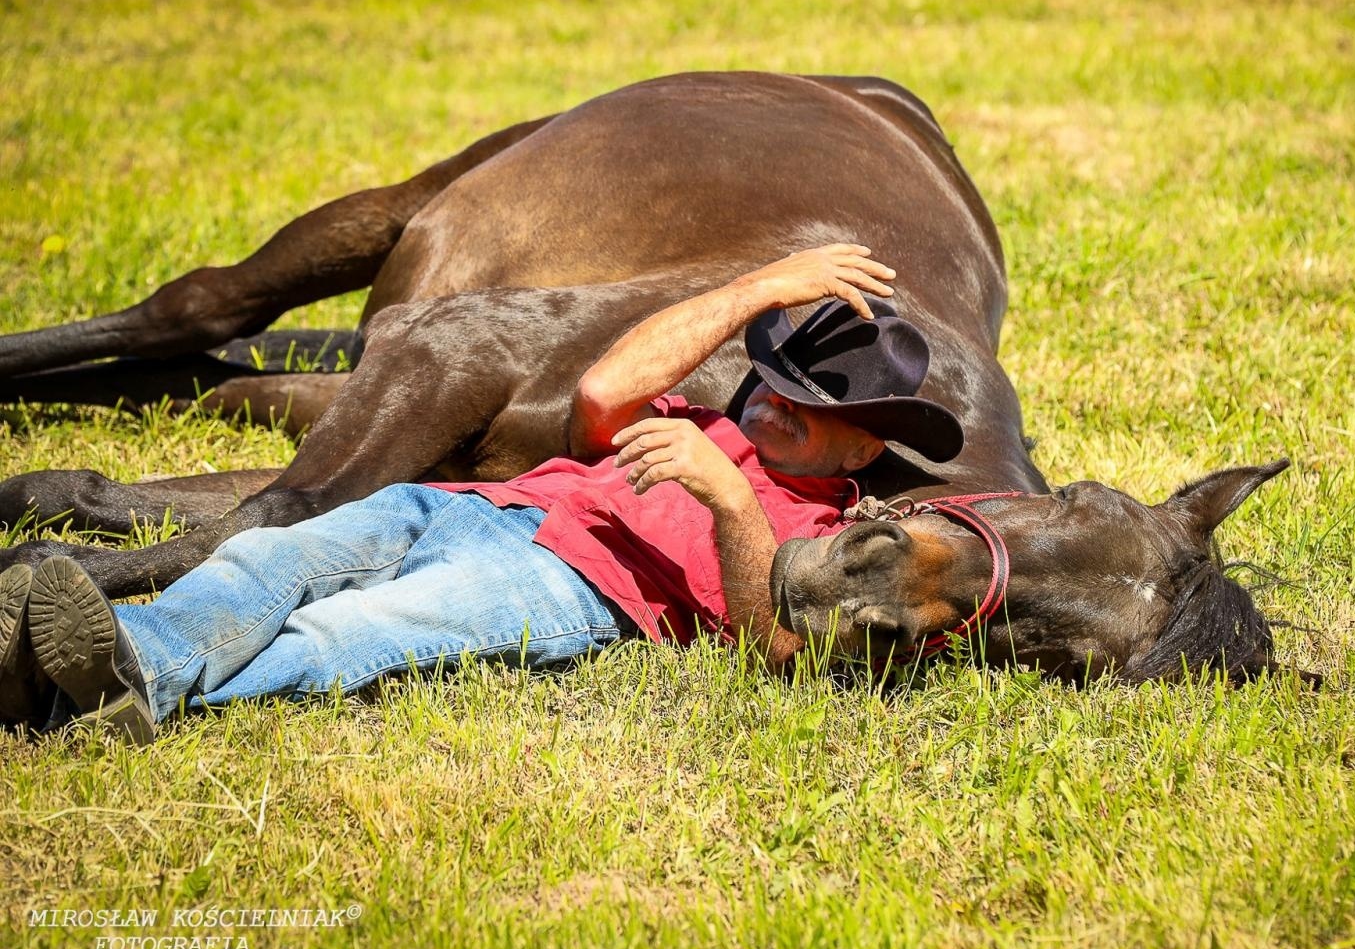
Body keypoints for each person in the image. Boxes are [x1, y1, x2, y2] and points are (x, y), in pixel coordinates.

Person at [0, 244, 964, 743]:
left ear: (866, 439)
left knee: (354, 634)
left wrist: (730, 503)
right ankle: (133, 664)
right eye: (775, 380)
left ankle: (84, 695)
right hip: (477, 506)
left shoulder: (826, 528)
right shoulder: (700, 418)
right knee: (270, 555)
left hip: (570, 590)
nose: (771, 406)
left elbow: (775, 647)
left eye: (803, 403)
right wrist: (760, 289)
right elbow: (598, 394)